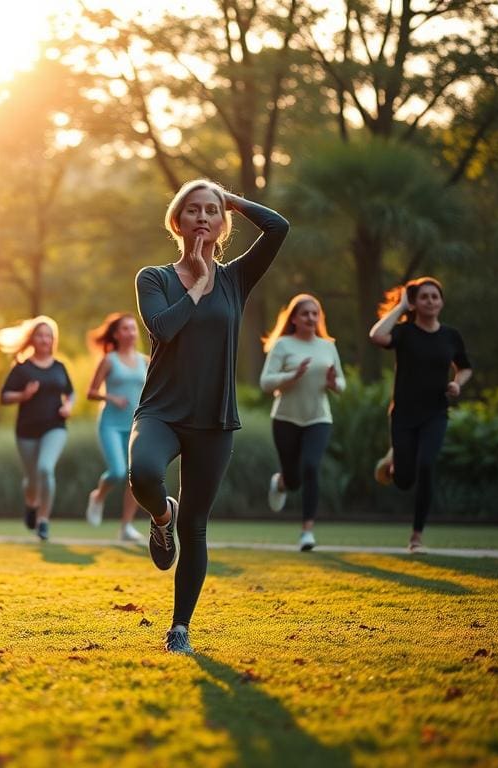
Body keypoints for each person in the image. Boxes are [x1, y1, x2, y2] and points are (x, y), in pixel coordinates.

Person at [129, 178, 289, 654]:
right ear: (177, 221)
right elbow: (163, 328)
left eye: (211, 210)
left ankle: (180, 628)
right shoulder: (153, 278)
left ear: (222, 223)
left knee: (195, 526)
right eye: (193, 209)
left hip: (213, 420)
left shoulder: (238, 278)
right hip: (161, 411)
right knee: (143, 474)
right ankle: (162, 516)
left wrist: (231, 199)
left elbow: (278, 227)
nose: (202, 216)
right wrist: (198, 285)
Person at [368, 277, 472, 553]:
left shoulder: (451, 336)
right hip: (403, 415)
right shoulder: (404, 333)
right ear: (415, 302)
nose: (430, 301)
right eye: (424, 296)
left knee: (426, 465)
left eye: (435, 296)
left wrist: (457, 383)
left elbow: (465, 367)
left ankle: (416, 537)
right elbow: (376, 336)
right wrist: (402, 306)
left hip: (435, 413)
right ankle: (394, 460)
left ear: (442, 302)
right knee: (404, 481)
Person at [259, 294, 345, 551]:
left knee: (310, 467)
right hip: (285, 419)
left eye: (315, 313)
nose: (311, 317)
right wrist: (292, 376)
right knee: (294, 480)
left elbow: (342, 383)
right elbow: (266, 383)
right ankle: (282, 482)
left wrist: (334, 383)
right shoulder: (283, 345)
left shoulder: (328, 346)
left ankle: (307, 531)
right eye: (305, 313)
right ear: (294, 319)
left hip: (318, 418)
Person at [0, 316, 74, 542]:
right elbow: (4, 396)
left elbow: (70, 392)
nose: (44, 339)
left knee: (45, 469)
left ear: (53, 340)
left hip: (55, 427)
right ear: (32, 339)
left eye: (48, 336)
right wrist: (23, 395)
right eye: (40, 335)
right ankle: (31, 504)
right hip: (27, 430)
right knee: (32, 479)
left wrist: (68, 406)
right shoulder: (22, 369)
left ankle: (43, 520)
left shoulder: (59, 367)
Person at [84, 312, 148, 543]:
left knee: (135, 476)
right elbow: (91, 392)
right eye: (125, 329)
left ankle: (126, 527)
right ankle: (98, 496)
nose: (130, 333)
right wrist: (111, 398)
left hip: (136, 426)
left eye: (133, 328)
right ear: (116, 334)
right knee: (118, 471)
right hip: (110, 425)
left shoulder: (145, 361)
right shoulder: (109, 360)